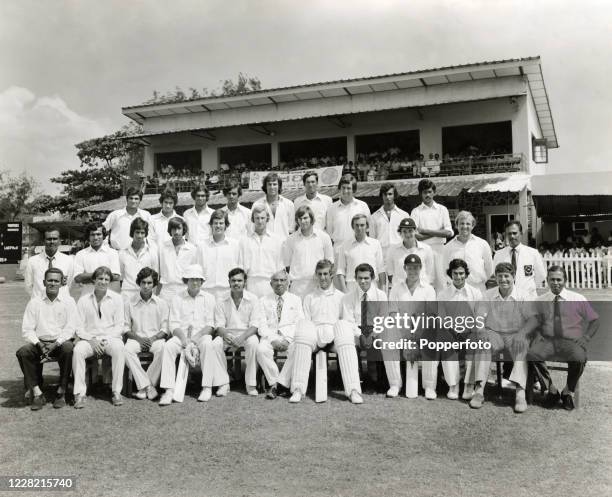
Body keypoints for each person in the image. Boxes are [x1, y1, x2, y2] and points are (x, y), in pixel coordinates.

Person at [289, 259, 363, 404]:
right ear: (316, 275)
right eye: (319, 274)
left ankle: (353, 390)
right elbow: (307, 322)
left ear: (332, 275)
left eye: (325, 274)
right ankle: (298, 389)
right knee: (304, 328)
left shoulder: (342, 297)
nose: (322, 278)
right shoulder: (309, 297)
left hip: (335, 338)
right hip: (315, 338)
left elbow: (347, 321)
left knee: (344, 330)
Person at [469, 262, 539, 413]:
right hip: (494, 332)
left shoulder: (523, 295)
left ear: (513, 277)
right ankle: (479, 391)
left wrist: (522, 334)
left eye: (506, 276)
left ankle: (520, 394)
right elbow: (479, 316)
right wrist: (480, 331)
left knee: (522, 347)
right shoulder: (488, 294)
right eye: (500, 276)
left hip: (515, 334)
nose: (503, 280)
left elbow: (533, 319)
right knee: (482, 345)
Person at [528, 266, 599, 410]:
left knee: (579, 357)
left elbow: (595, 320)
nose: (555, 283)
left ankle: (568, 392)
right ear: (547, 280)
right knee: (531, 354)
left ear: (565, 280)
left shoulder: (577, 298)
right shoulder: (540, 300)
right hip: (548, 341)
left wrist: (585, 338)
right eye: (552, 279)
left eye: (559, 279)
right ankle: (551, 390)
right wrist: (536, 334)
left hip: (570, 342)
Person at [17, 268, 77, 410]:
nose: (52, 283)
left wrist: (57, 343)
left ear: (62, 283)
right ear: (44, 282)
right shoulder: (35, 302)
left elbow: (71, 328)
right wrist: (38, 344)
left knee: (69, 348)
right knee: (23, 352)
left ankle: (61, 391)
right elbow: (27, 329)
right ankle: (37, 392)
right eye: (49, 280)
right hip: (40, 344)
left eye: (56, 280)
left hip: (60, 343)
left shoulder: (68, 301)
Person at [158, 265, 217, 405]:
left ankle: (207, 387)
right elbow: (173, 324)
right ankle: (169, 390)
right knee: (168, 347)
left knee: (208, 344)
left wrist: (195, 340)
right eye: (191, 279)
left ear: (202, 282)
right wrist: (185, 341)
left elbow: (210, 325)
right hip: (181, 337)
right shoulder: (177, 298)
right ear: (186, 281)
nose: (195, 282)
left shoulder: (209, 298)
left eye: (198, 279)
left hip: (201, 336)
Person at [201, 268, 262, 397]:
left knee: (254, 344)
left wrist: (242, 338)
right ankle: (223, 383)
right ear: (229, 282)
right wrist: (226, 335)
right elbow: (219, 325)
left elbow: (255, 325)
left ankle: (250, 384)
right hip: (227, 335)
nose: (236, 283)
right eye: (233, 280)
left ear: (245, 282)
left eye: (239, 280)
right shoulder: (221, 300)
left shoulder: (253, 299)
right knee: (215, 344)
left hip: (247, 334)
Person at [72, 266, 126, 408]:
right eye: (100, 278)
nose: (103, 282)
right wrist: (92, 340)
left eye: (106, 279)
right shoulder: (83, 300)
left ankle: (116, 391)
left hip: (110, 339)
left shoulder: (117, 299)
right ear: (94, 280)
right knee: (78, 351)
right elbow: (78, 327)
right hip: (89, 339)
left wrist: (105, 340)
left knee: (120, 349)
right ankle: (79, 394)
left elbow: (120, 325)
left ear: (110, 281)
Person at [388, 254, 437, 399]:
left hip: (422, 330)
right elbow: (392, 313)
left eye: (416, 268)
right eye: (409, 268)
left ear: (421, 268)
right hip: (401, 330)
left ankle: (429, 386)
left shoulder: (428, 289)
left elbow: (431, 315)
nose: (413, 271)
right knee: (388, 337)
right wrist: (406, 333)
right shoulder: (396, 289)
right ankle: (395, 384)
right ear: (404, 268)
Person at [436, 259, 483, 401]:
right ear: (450, 274)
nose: (458, 276)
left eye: (461, 273)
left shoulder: (475, 293)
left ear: (466, 274)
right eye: (455, 273)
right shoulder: (443, 294)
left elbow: (479, 317)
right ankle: (453, 385)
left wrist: (468, 331)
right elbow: (442, 318)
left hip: (470, 332)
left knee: (475, 341)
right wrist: (454, 333)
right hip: (451, 332)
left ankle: (469, 386)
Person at [256, 270, 305, 399]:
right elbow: (261, 325)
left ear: (288, 283)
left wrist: (288, 340)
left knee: (298, 349)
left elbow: (299, 322)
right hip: (270, 336)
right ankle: (275, 383)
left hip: (290, 337)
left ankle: (278, 385)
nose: (279, 283)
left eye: (282, 280)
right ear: (270, 283)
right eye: (276, 280)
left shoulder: (296, 299)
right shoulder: (263, 300)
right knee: (260, 350)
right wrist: (272, 340)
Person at [340, 263, 389, 394]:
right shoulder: (348, 298)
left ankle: (378, 380)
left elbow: (383, 319)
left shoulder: (381, 295)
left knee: (381, 341)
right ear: (355, 279)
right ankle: (357, 380)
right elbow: (348, 321)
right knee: (348, 342)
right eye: (360, 278)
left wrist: (372, 334)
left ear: (372, 278)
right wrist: (360, 335)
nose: (363, 281)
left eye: (366, 278)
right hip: (357, 331)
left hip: (375, 330)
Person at [123, 267, 169, 401]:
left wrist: (153, 338)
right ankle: (148, 386)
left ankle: (144, 386)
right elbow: (126, 328)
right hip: (136, 338)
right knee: (126, 350)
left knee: (164, 348)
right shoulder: (129, 302)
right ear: (139, 283)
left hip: (155, 339)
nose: (146, 286)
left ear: (154, 284)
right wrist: (139, 339)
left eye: (149, 283)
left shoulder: (162, 303)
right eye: (143, 282)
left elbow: (165, 329)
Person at [283, 205, 334, 298]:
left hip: (317, 284)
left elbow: (330, 262)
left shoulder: (324, 237)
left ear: (311, 218)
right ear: (297, 220)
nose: (303, 221)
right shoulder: (290, 239)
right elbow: (287, 265)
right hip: (297, 287)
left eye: (305, 218)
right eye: (300, 218)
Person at [410, 179, 453, 289]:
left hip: (439, 250)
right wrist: (439, 231)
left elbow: (448, 232)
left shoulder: (442, 209)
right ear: (421, 194)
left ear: (434, 192)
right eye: (425, 192)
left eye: (429, 192)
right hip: (422, 250)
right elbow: (416, 236)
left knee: (441, 283)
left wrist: (425, 230)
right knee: (424, 282)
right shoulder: (416, 211)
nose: (427, 195)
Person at [493, 221, 546, 299]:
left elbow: (541, 275)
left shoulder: (532, 253)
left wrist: (528, 288)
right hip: (507, 297)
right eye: (509, 233)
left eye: (515, 233)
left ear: (521, 233)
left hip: (528, 297)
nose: (512, 236)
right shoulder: (499, 254)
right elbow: (496, 275)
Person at [443, 211, 493, 293]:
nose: (465, 226)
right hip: (456, 290)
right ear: (456, 226)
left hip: (478, 289)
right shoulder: (448, 247)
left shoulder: (482, 244)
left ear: (472, 226)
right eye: (462, 223)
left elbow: (489, 268)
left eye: (468, 224)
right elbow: (444, 270)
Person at [239, 205, 284, 297]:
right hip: (251, 283)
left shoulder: (277, 240)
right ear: (253, 220)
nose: (260, 221)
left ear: (267, 219)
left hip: (271, 283)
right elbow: (241, 266)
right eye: (257, 218)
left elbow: (280, 266)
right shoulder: (244, 240)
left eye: (262, 218)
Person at [335, 214, 386, 293]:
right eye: (357, 225)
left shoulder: (375, 244)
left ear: (367, 227)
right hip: (352, 287)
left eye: (362, 225)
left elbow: (381, 269)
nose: (359, 228)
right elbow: (341, 270)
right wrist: (345, 291)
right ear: (353, 227)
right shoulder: (345, 245)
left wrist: (383, 291)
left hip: (372, 287)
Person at [197, 210, 241, 299]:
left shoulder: (235, 245)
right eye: (215, 223)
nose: (218, 226)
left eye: (221, 223)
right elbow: (198, 270)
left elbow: (239, 270)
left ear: (226, 225)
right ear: (211, 225)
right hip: (207, 290)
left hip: (228, 290)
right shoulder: (202, 246)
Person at [24, 226, 73, 300]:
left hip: (60, 304)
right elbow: (28, 285)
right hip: (39, 303)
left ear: (59, 241)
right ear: (43, 241)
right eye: (49, 239)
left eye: (55, 239)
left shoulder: (68, 260)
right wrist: (39, 299)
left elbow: (69, 284)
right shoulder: (32, 261)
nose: (52, 242)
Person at [386, 218, 435, 290]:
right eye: (404, 231)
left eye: (410, 231)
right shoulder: (392, 250)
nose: (408, 234)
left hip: (421, 291)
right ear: (400, 233)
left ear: (415, 231)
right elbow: (390, 273)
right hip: (400, 292)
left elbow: (429, 273)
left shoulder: (426, 249)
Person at [326, 174, 370, 253]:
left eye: (349, 188)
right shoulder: (331, 209)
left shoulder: (363, 206)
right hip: (338, 250)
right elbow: (329, 234)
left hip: (358, 249)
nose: (345, 191)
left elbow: (369, 231)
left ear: (354, 190)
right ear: (339, 189)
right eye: (343, 188)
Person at [73, 223, 121, 296]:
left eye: (98, 234)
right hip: (87, 295)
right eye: (92, 235)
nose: (95, 237)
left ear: (103, 236)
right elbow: (77, 278)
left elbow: (116, 277)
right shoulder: (81, 254)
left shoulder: (112, 253)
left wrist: (88, 278)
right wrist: (103, 275)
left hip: (108, 295)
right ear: (88, 237)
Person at [118, 218, 159, 303]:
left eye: (142, 233)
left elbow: (155, 276)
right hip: (127, 294)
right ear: (132, 233)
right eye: (137, 232)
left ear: (146, 234)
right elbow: (121, 277)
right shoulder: (122, 252)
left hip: (146, 293)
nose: (140, 236)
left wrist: (152, 295)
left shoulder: (152, 252)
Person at [158, 217, 198, 303]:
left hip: (184, 289)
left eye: (179, 228)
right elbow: (158, 273)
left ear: (183, 229)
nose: (176, 232)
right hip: (166, 290)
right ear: (170, 230)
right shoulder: (162, 248)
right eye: (173, 229)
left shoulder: (192, 249)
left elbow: (195, 273)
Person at [369, 183, 409, 262]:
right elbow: (372, 239)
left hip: (400, 255)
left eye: (390, 194)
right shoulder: (374, 217)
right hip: (381, 256)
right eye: (385, 194)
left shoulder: (404, 215)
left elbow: (408, 237)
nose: (387, 197)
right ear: (382, 196)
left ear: (394, 195)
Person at [251, 173, 295, 241]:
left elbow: (291, 229)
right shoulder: (257, 204)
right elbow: (253, 227)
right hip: (264, 245)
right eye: (269, 184)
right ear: (265, 186)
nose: (272, 187)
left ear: (279, 186)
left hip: (284, 245)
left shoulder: (289, 204)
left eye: (274, 184)